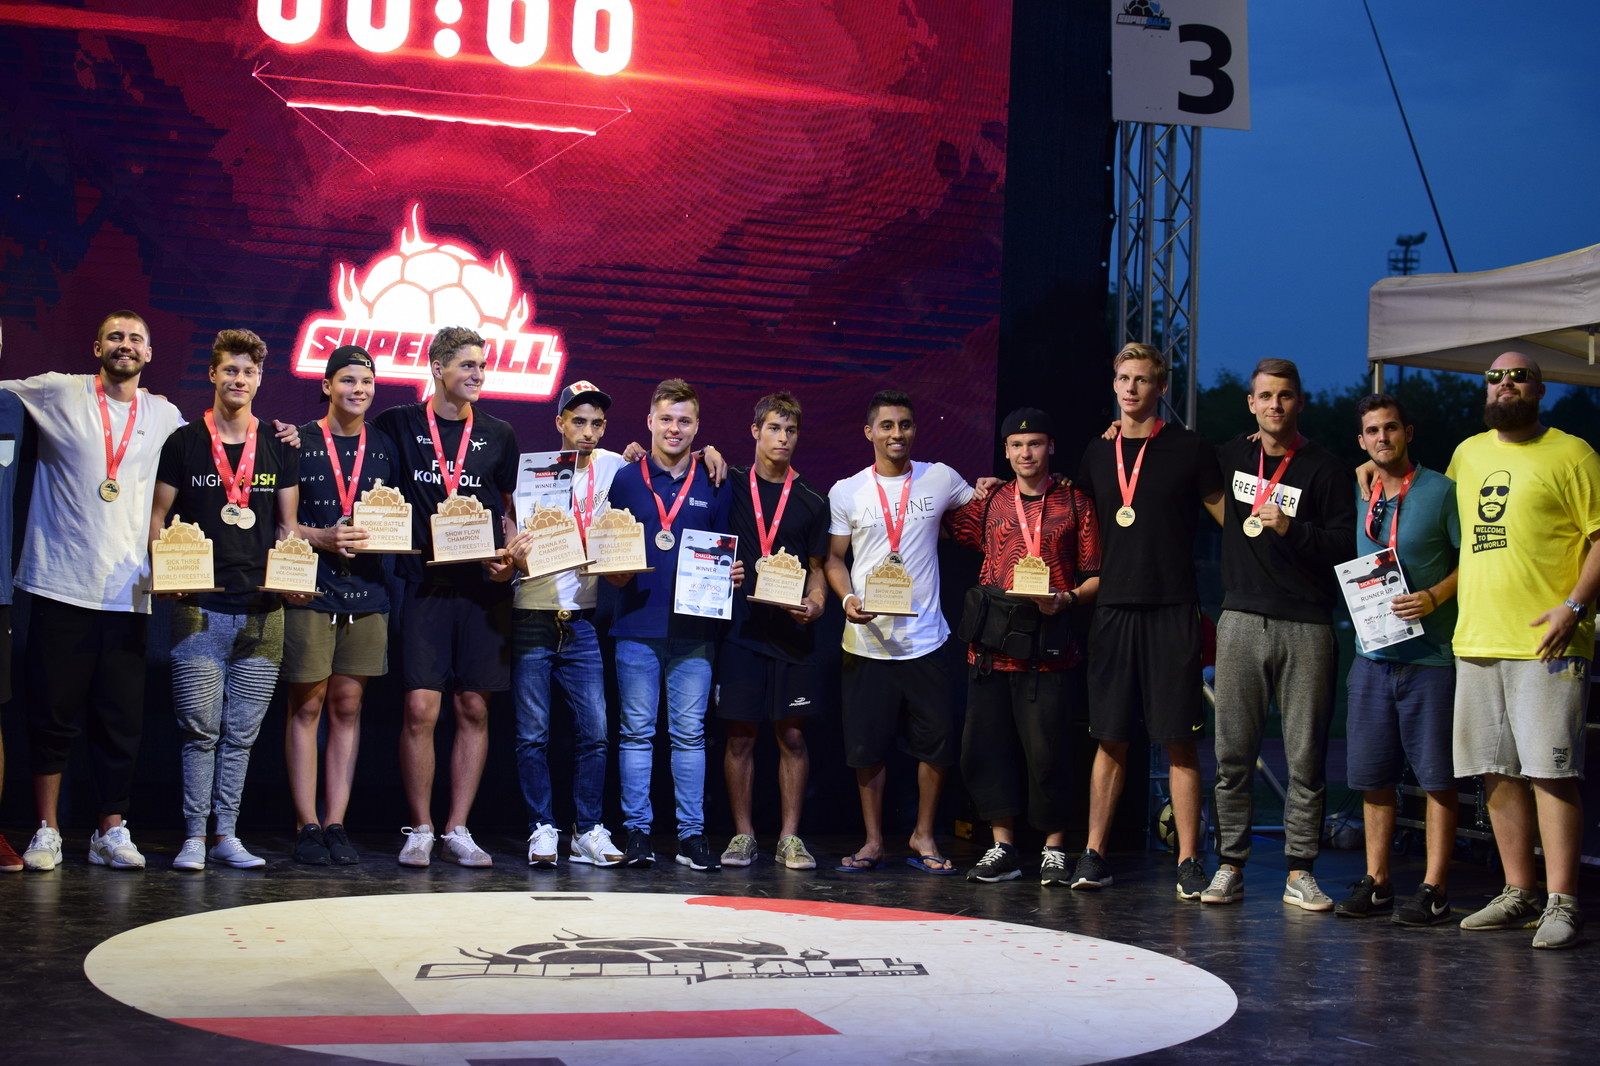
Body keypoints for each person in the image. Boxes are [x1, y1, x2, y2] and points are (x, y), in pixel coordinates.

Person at [5, 312, 183, 871]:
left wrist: (284, 434)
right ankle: (47, 830)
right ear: (96, 346)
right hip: (59, 583)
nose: (125, 345)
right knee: (50, 717)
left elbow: (216, 447)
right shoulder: (59, 391)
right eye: (115, 337)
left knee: (119, 723)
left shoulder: (164, 414)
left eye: (135, 339)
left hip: (129, 592)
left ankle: (110, 831)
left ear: (148, 354)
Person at [1446, 352, 1599, 949]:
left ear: (1539, 389)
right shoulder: (1467, 454)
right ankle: (1519, 892)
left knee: (1550, 771)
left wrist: (1574, 607)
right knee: (1497, 769)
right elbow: (1431, 511)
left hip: (1546, 642)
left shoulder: (1573, 454)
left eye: (1518, 375)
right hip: (1478, 638)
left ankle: (1563, 901)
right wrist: (1371, 471)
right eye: (1494, 376)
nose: (1504, 383)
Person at [1074, 344, 1225, 898]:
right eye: (1124, 378)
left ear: (1161, 388)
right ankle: (1094, 853)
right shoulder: (1098, 451)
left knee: (1179, 740)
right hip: (1113, 610)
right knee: (1110, 737)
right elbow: (1068, 517)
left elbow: (1229, 519)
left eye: (1142, 379)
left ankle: (1189, 860)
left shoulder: (1189, 448)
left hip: (1172, 609)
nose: (1132, 388)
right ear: (1114, 385)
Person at [1203, 358, 1354, 909]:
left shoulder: (1326, 468)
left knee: (1305, 759)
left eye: (1284, 395)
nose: (1274, 404)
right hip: (1241, 619)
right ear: (1251, 404)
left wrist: (1294, 529)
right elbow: (1169, 457)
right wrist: (1118, 428)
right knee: (1232, 755)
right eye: (1265, 396)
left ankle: (1300, 872)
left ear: (1300, 402)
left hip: (1306, 624)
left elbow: (1344, 545)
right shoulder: (1231, 456)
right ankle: (1229, 866)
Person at [150, 328, 304, 870]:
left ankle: (226, 835)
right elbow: (157, 518)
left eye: (249, 372)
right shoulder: (184, 442)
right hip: (199, 607)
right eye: (230, 370)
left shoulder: (280, 446)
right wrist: (164, 571)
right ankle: (194, 836)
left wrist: (294, 573)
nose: (239, 379)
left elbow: (287, 528)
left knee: (240, 735)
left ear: (260, 380)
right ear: (213, 374)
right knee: (199, 732)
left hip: (264, 611)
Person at [373, 326, 520, 868]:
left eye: (482, 365)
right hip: (424, 585)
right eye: (467, 365)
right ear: (437, 368)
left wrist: (509, 557)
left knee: (474, 707)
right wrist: (291, 437)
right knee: (420, 708)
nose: (478, 374)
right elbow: (349, 443)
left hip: (482, 591)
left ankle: (458, 828)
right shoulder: (398, 423)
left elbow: (509, 511)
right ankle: (421, 828)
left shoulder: (500, 433)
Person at [946, 407, 1099, 884]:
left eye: (1034, 444)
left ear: (1050, 446)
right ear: (1006, 451)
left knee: (1049, 752)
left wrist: (1068, 598)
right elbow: (945, 524)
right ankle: (1003, 847)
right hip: (990, 647)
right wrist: (974, 491)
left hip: (1048, 648)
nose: (1025, 453)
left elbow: (1097, 574)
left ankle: (1054, 848)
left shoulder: (1075, 502)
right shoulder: (992, 501)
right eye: (1016, 445)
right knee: (986, 750)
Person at [825, 389, 975, 873]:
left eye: (905, 425)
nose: (897, 434)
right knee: (867, 748)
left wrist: (995, 485)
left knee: (938, 746)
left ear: (915, 430)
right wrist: (847, 599)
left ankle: (923, 835)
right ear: (869, 431)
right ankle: (873, 841)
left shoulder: (940, 477)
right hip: (866, 642)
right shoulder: (846, 491)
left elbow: (988, 512)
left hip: (926, 639)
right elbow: (834, 559)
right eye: (887, 425)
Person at [1333, 394, 1460, 925]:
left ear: (1408, 432)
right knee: (1373, 777)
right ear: (1361, 440)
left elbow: (1473, 563)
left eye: (1390, 428)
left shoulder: (1441, 491)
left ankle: (1434, 887)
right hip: (1371, 657)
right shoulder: (1360, 490)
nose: (1382, 438)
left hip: (1430, 659)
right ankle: (1378, 881)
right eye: (1372, 431)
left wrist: (1433, 596)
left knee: (1436, 779)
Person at [604, 378, 738, 872]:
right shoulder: (624, 479)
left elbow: (726, 545)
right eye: (665, 419)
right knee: (636, 734)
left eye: (684, 420)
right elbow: (608, 548)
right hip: (636, 625)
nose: (674, 429)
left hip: (695, 630)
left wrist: (733, 570)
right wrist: (611, 568)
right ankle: (637, 832)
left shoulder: (715, 477)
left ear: (697, 427)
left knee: (689, 736)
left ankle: (691, 835)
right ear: (650, 422)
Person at [283, 345, 399, 865]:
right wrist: (322, 537)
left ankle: (336, 823)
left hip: (369, 593)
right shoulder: (297, 440)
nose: (359, 390)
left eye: (367, 382)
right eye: (348, 380)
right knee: (307, 706)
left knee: (348, 708)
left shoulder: (386, 445)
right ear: (327, 385)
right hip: (310, 589)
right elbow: (282, 526)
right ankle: (306, 824)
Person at [505, 380, 627, 868]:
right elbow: (510, 533)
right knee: (532, 734)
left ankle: (587, 830)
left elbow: (665, 461)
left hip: (582, 620)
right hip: (531, 612)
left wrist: (708, 453)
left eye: (597, 423)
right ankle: (541, 827)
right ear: (560, 422)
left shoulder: (615, 466)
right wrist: (512, 554)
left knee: (595, 732)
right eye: (578, 422)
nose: (588, 432)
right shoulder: (529, 472)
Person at [715, 392, 831, 871]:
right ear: (755, 431)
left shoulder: (812, 500)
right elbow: (681, 458)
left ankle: (789, 838)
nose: (783, 438)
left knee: (794, 738)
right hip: (740, 631)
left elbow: (819, 569)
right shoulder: (729, 482)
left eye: (791, 430)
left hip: (792, 634)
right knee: (740, 737)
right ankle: (743, 835)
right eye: (774, 428)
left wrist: (817, 602)